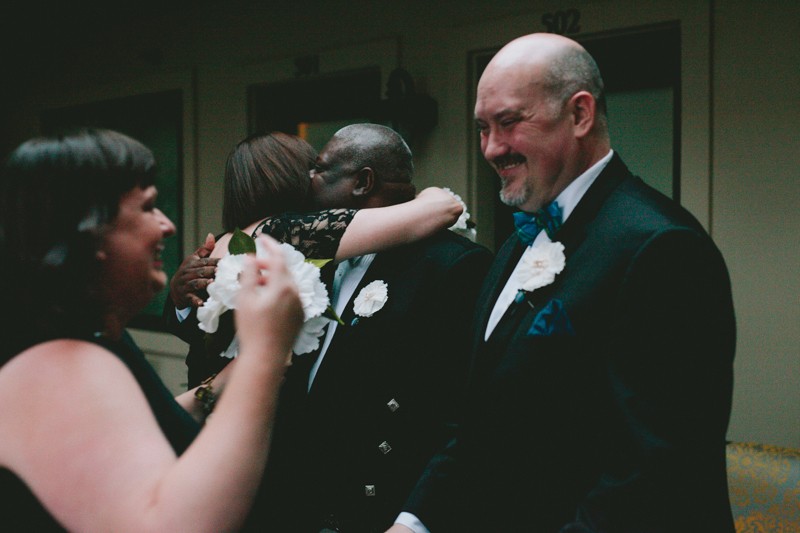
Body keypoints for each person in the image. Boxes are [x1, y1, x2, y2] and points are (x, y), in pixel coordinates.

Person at [390, 33, 737, 532]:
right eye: (482, 129)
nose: (491, 148)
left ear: (580, 115)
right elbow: (478, 422)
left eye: (509, 122)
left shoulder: (663, 249)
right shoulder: (514, 247)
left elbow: (655, 471)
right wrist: (412, 521)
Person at [0, 129, 304, 532]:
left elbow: (132, 432)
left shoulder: (97, 337)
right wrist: (264, 353)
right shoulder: (55, 364)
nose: (167, 226)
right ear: (91, 235)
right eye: (148, 208)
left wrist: (219, 384)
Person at [241, 123, 493, 532]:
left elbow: (454, 409)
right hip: (297, 498)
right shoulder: (316, 250)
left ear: (362, 182)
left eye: (318, 169)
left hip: (378, 505)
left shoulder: (454, 266)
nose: (306, 181)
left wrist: (415, 519)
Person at [164, 132, 463, 387]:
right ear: (289, 178)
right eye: (312, 169)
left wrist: (178, 300)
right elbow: (440, 210)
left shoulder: (231, 238)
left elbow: (191, 327)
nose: (315, 179)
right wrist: (433, 193)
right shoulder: (282, 232)